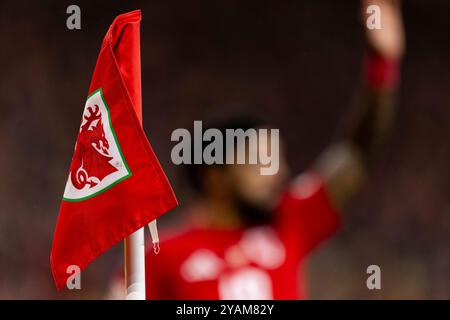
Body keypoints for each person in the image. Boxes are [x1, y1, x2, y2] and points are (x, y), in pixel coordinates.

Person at [108, 0, 405, 300]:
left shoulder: (289, 221)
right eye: (261, 161)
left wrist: (382, 66)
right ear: (216, 175)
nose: (279, 173)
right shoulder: (159, 258)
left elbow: (356, 154)